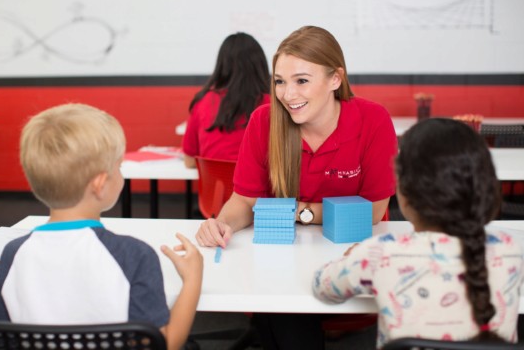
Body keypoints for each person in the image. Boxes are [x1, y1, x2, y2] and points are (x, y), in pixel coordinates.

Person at [195, 25, 398, 349]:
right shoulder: (264, 121)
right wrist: (222, 223)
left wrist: (298, 213)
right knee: (281, 307)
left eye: (301, 80)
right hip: (285, 258)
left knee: (281, 318)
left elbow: (373, 211)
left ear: (335, 79)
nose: (288, 94)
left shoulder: (373, 119)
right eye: (279, 81)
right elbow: (244, 200)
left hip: (348, 252)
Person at [0, 103, 203, 350]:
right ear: (100, 184)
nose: (121, 174)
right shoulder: (134, 255)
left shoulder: (12, 254)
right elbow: (165, 344)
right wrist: (192, 279)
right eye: (119, 167)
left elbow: (5, 339)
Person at [313, 118, 524, 348]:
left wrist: (356, 256)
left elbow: (322, 288)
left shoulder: (380, 254)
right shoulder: (510, 250)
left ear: (403, 192)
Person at [182, 32, 270, 168]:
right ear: (260, 65)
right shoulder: (271, 105)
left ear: (221, 65)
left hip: (215, 182)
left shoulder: (203, 101)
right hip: (255, 182)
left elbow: (189, 161)